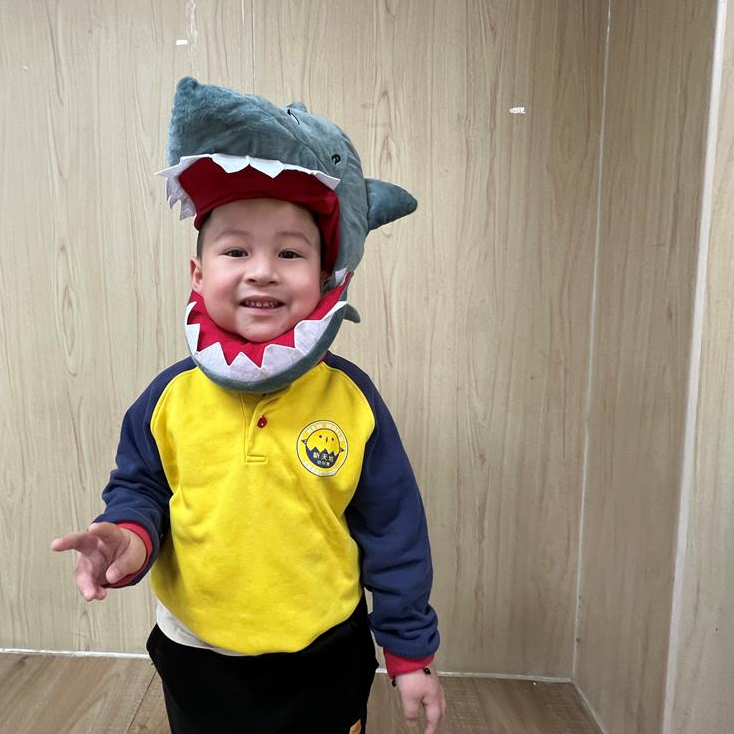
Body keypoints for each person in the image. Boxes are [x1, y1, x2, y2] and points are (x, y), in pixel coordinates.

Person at [52, 79, 445, 734]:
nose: (262, 270)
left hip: (324, 651)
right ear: (198, 274)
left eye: (289, 252)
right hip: (196, 653)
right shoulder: (167, 398)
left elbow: (395, 532)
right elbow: (141, 488)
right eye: (236, 250)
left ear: (324, 277)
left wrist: (410, 654)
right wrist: (126, 536)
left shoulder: (352, 401)